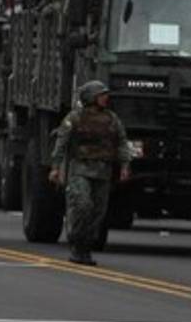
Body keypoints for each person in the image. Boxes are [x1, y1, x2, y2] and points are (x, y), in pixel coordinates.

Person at [48, 80, 132, 266]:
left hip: (103, 172)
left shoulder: (112, 119)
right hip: (81, 170)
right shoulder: (74, 117)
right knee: (83, 205)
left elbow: (122, 143)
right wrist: (55, 167)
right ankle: (76, 242)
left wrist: (125, 166)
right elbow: (61, 143)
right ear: (91, 97)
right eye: (101, 95)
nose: (105, 98)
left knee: (98, 212)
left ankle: (86, 247)